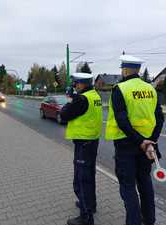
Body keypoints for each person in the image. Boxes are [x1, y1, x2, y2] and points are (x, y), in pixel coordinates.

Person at [105, 55, 164, 225]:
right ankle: (149, 220)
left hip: (126, 146)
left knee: (128, 187)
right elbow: (159, 118)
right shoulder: (150, 89)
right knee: (145, 183)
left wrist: (140, 141)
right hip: (146, 148)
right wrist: (151, 140)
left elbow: (122, 120)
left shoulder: (120, 89)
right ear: (137, 70)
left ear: (124, 70)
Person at [61, 72, 103, 225]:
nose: (74, 86)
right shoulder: (95, 95)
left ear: (82, 84)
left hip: (84, 143)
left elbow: (64, 114)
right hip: (92, 141)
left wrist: (70, 100)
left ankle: (86, 217)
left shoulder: (81, 98)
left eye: (76, 83)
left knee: (81, 179)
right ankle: (91, 205)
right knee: (89, 175)